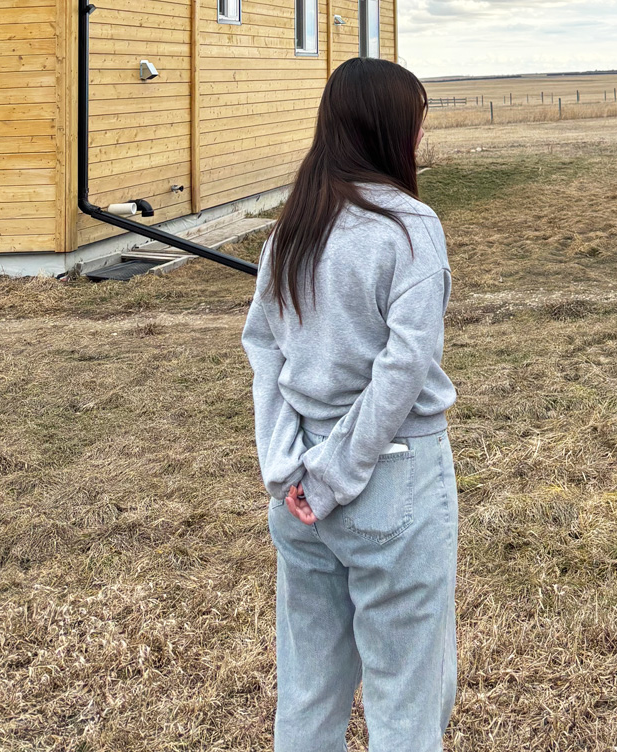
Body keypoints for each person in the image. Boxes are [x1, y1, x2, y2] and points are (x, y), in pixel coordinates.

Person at [242, 58, 458, 752]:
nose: (419, 137)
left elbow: (265, 349)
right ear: (389, 129)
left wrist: (286, 466)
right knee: (406, 697)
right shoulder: (410, 226)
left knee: (309, 690)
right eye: (415, 122)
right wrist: (334, 474)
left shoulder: (291, 228)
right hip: (390, 477)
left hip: (298, 490)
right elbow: (404, 367)